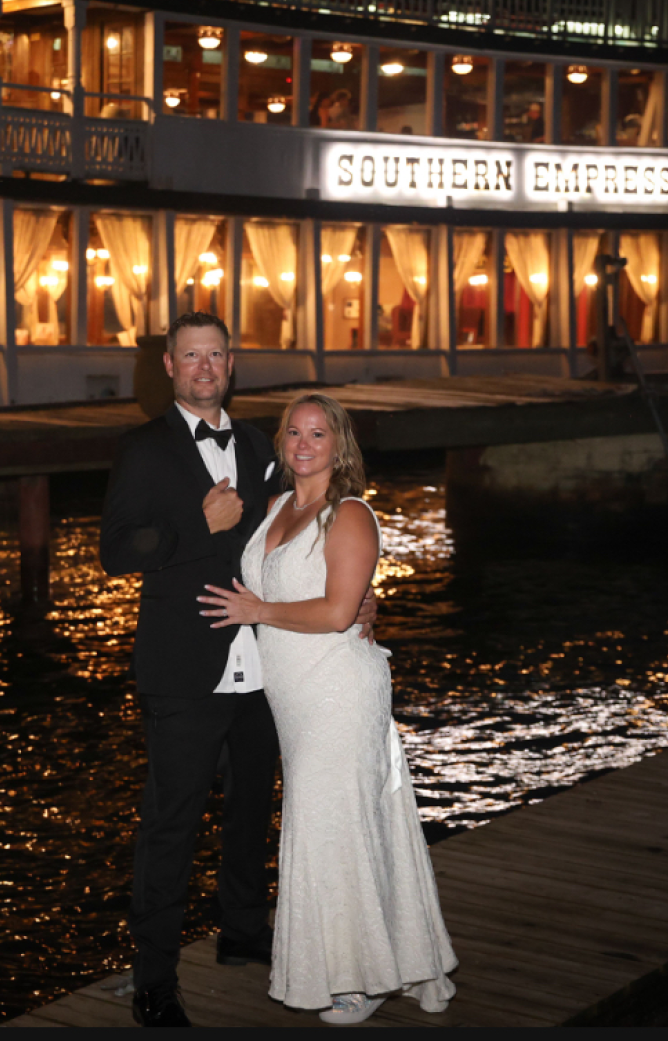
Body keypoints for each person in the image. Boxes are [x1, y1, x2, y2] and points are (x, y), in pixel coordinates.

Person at [100, 314, 376, 1028]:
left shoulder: (259, 446)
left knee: (254, 809)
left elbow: (308, 526)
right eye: (190, 356)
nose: (204, 367)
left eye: (215, 355)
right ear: (169, 365)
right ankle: (154, 982)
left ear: (231, 364)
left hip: (267, 666)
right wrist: (200, 526)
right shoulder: (143, 449)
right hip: (184, 669)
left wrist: (357, 595)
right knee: (172, 827)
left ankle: (242, 931)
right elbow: (116, 552)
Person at [199, 392, 457, 1026]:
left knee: (330, 829)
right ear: (282, 443)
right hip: (292, 696)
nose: (304, 444)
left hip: (340, 690)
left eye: (318, 433)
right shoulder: (274, 507)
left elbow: (340, 611)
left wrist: (261, 610)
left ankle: (356, 979)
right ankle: (386, 962)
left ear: (340, 446)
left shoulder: (351, 515)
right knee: (343, 826)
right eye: (294, 432)